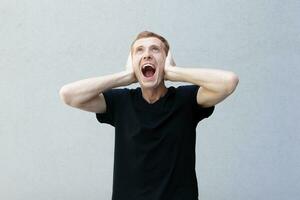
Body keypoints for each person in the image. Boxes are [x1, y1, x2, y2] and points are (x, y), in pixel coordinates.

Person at [59, 31, 239, 200]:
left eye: (155, 49)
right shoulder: (120, 102)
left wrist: (174, 73)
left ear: (166, 60)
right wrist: (126, 77)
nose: (147, 55)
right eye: (139, 50)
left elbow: (229, 82)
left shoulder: (186, 100)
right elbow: (68, 95)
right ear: (132, 62)